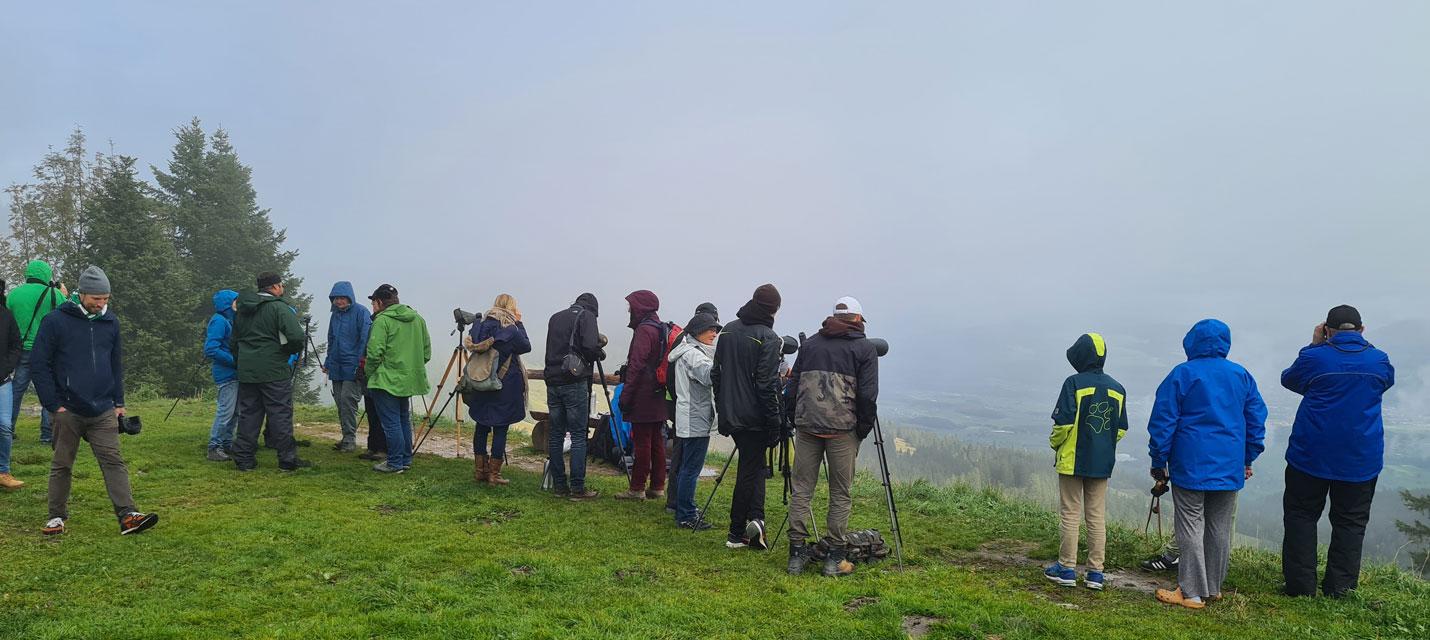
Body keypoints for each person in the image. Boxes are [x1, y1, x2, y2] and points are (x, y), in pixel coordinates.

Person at [1149, 319, 1267, 609]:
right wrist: (1247, 457)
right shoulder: (1241, 376)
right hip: (1229, 465)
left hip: (1191, 464)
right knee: (1219, 527)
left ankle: (1190, 593)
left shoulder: (1182, 374)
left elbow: (1163, 422)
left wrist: (1158, 460)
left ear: (1191, 342)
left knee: (1190, 525)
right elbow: (1256, 420)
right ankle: (1212, 588)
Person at [31, 266, 158, 535]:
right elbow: (39, 364)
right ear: (82, 294)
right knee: (62, 463)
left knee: (113, 460)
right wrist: (54, 405)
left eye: (106, 299)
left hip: (102, 408)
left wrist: (118, 401)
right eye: (96, 299)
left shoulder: (110, 322)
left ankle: (128, 515)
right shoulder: (55, 321)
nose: (101, 304)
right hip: (67, 409)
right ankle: (56, 517)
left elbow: (115, 363)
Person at [1279, 305, 1394, 598]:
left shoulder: (1314, 358)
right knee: (1351, 522)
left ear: (1327, 329)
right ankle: (1340, 589)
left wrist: (1315, 343)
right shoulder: (1379, 360)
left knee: (1301, 516)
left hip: (1310, 455)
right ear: (1362, 330)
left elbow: (1290, 379)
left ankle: (1300, 587)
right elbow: (1385, 381)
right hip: (1360, 458)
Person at [784, 297, 880, 577]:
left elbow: (794, 382)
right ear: (859, 319)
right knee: (840, 493)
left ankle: (796, 556)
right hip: (842, 430)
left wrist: (794, 416)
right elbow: (867, 394)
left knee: (802, 489)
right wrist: (862, 428)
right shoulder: (864, 348)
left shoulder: (811, 344)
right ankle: (834, 559)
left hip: (807, 426)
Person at [1042, 333, 1128, 590]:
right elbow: (1120, 429)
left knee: (1070, 513)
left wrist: (1055, 443)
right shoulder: (1118, 389)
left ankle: (1066, 569)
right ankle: (1095, 574)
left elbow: (1063, 423)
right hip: (1101, 464)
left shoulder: (1074, 383)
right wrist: (1103, 446)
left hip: (1072, 461)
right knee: (1096, 516)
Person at [711, 283, 784, 550]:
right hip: (755, 417)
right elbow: (766, 385)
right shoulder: (768, 337)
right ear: (774, 309)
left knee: (753, 467)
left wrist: (723, 406)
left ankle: (757, 522)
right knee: (748, 471)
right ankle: (736, 531)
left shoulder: (728, 329)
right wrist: (774, 421)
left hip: (732, 412)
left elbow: (716, 374)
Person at [231, 272, 310, 472]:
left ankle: (244, 459)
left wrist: (241, 362)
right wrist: (285, 352)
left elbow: (234, 342)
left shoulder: (242, 310)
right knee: (280, 414)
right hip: (274, 370)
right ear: (275, 287)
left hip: (248, 370)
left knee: (249, 414)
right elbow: (296, 337)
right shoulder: (279, 308)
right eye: (281, 285)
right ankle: (287, 459)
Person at [464, 294, 531, 485]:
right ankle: (494, 474)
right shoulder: (510, 328)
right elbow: (525, 346)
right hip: (504, 385)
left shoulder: (481, 325)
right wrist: (519, 323)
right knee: (500, 428)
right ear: (511, 308)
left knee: (482, 425)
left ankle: (480, 470)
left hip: (481, 381)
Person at [542, 293, 603, 500]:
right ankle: (577, 488)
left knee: (556, 434)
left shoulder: (555, 317)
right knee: (578, 435)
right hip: (574, 381)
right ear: (593, 308)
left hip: (553, 380)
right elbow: (589, 346)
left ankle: (559, 485)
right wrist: (599, 353)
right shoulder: (587, 317)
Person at [365, 284, 431, 473]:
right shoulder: (417, 318)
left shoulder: (382, 320)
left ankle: (394, 463)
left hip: (385, 379)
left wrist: (370, 373)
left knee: (391, 422)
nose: (373, 307)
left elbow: (374, 352)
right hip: (408, 379)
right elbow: (426, 352)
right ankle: (405, 459)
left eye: (373, 303)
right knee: (402, 419)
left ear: (379, 302)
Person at [667, 311, 720, 529]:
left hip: (689, 415)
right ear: (698, 331)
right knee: (690, 469)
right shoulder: (693, 354)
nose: (714, 333)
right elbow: (709, 376)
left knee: (686, 467)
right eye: (710, 329)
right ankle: (686, 515)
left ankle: (683, 508)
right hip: (695, 417)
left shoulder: (687, 350)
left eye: (716, 330)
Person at [616, 290, 669, 501]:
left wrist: (626, 396)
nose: (629, 310)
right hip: (658, 393)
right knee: (657, 441)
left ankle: (637, 487)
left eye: (631, 306)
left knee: (642, 442)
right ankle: (657, 485)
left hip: (643, 395)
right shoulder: (659, 328)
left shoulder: (644, 331)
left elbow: (636, 365)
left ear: (641, 307)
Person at [6, 259, 66, 444]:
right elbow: (67, 314)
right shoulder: (54, 294)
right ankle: (47, 435)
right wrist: (62, 293)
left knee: (16, 391)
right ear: (47, 275)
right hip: (47, 351)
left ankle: (8, 430)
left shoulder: (13, 295)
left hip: (22, 350)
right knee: (49, 390)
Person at [323, 281, 372, 453]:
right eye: (336, 298)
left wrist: (361, 362)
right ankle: (346, 437)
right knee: (340, 402)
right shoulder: (335, 315)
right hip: (336, 365)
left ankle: (350, 440)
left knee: (348, 401)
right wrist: (328, 362)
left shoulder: (361, 312)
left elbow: (365, 338)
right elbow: (331, 339)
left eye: (342, 298)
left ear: (349, 297)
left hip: (353, 366)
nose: (339, 301)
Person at [202, 289, 240, 462]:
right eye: (235, 300)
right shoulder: (219, 321)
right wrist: (235, 361)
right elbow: (211, 349)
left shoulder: (230, 320)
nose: (238, 303)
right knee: (226, 411)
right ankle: (214, 447)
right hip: (226, 373)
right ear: (227, 303)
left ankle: (227, 443)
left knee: (235, 412)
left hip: (235, 373)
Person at [0, 281, 22, 489]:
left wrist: (6, 368)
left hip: (3, 380)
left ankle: (3, 471)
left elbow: (17, 344)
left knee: (5, 426)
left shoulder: (6, 315)